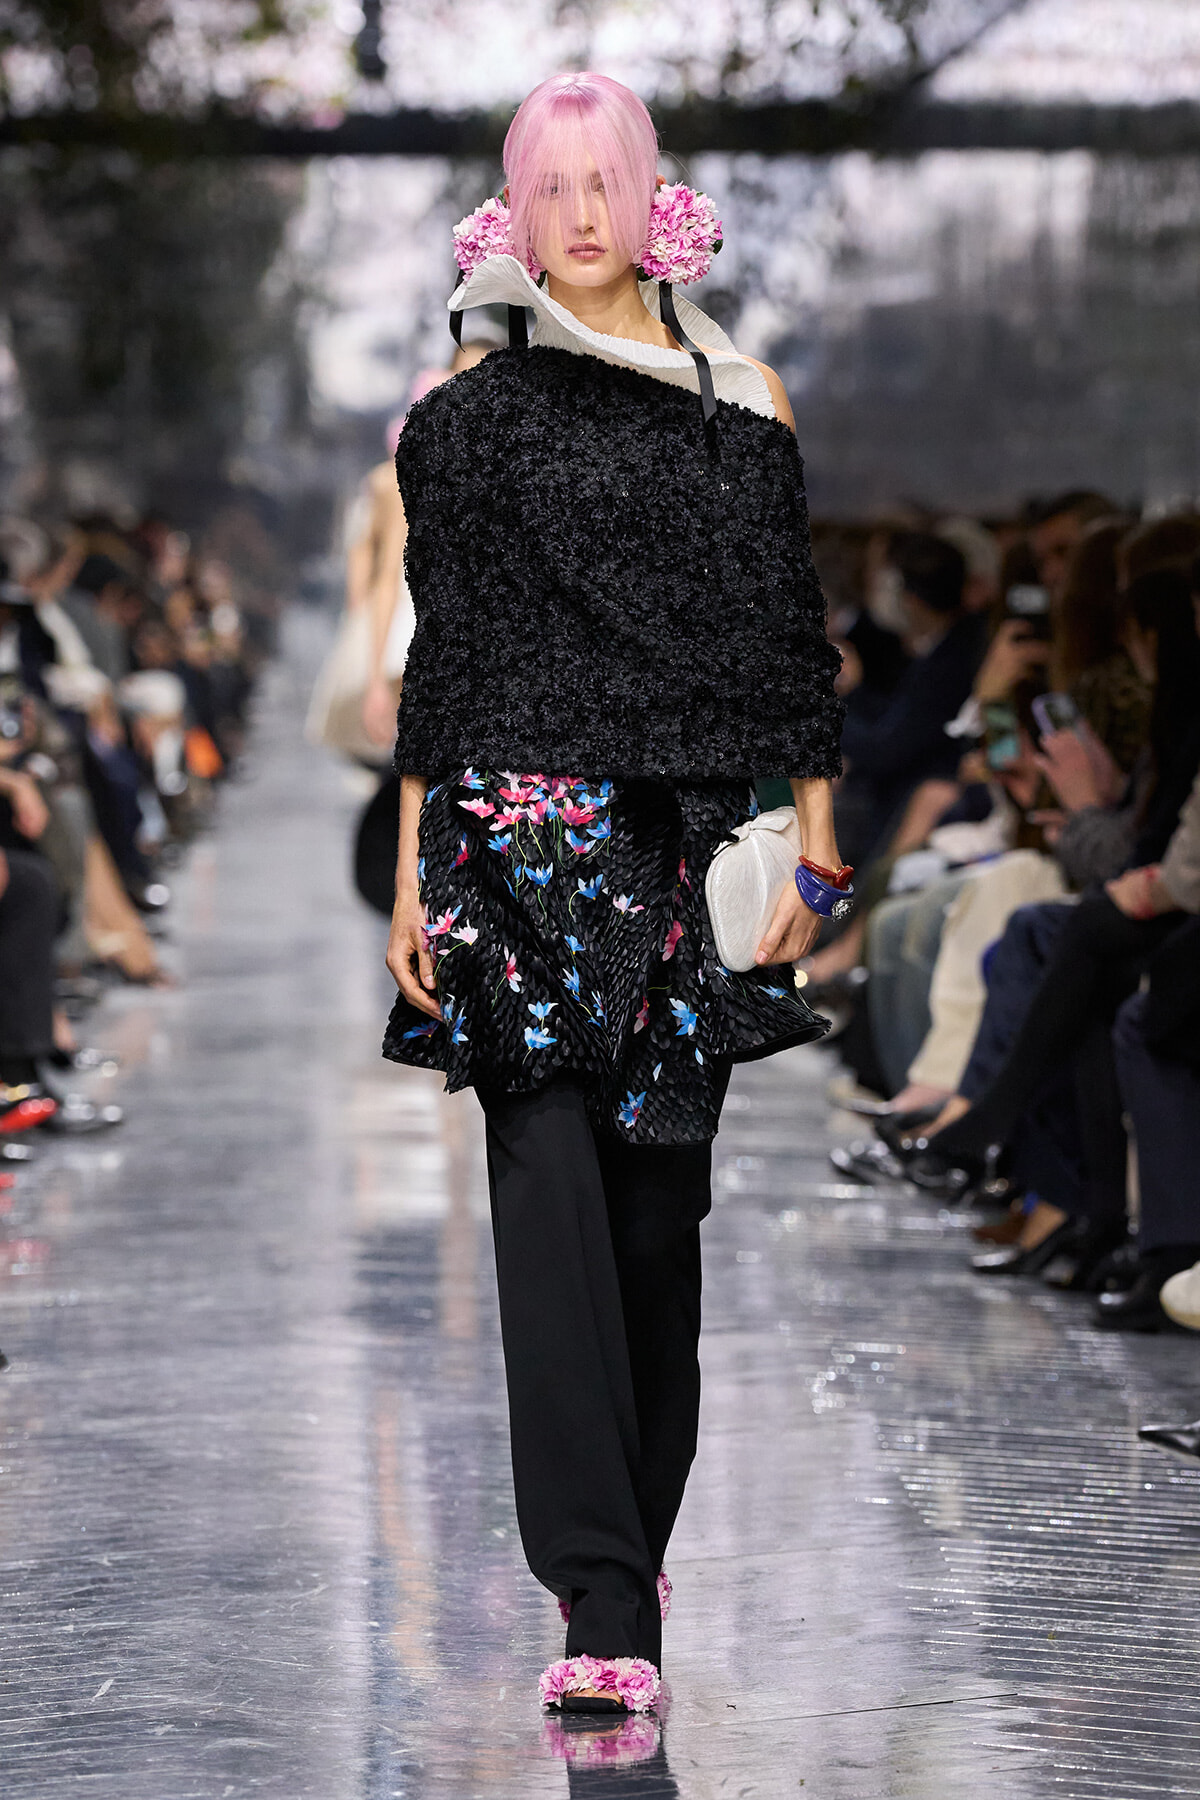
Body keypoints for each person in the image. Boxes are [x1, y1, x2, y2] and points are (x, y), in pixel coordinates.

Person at [381, 72, 845, 1717]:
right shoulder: (470, 413)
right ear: (515, 208)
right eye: (552, 185)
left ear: (655, 197)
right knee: (548, 1212)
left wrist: (820, 839)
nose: (583, 213)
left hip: (685, 855)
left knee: (659, 1224)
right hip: (509, 839)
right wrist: (406, 869)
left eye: (609, 180)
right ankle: (600, 1596)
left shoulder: (742, 395)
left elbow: (790, 640)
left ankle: (627, 1555)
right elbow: (453, 652)